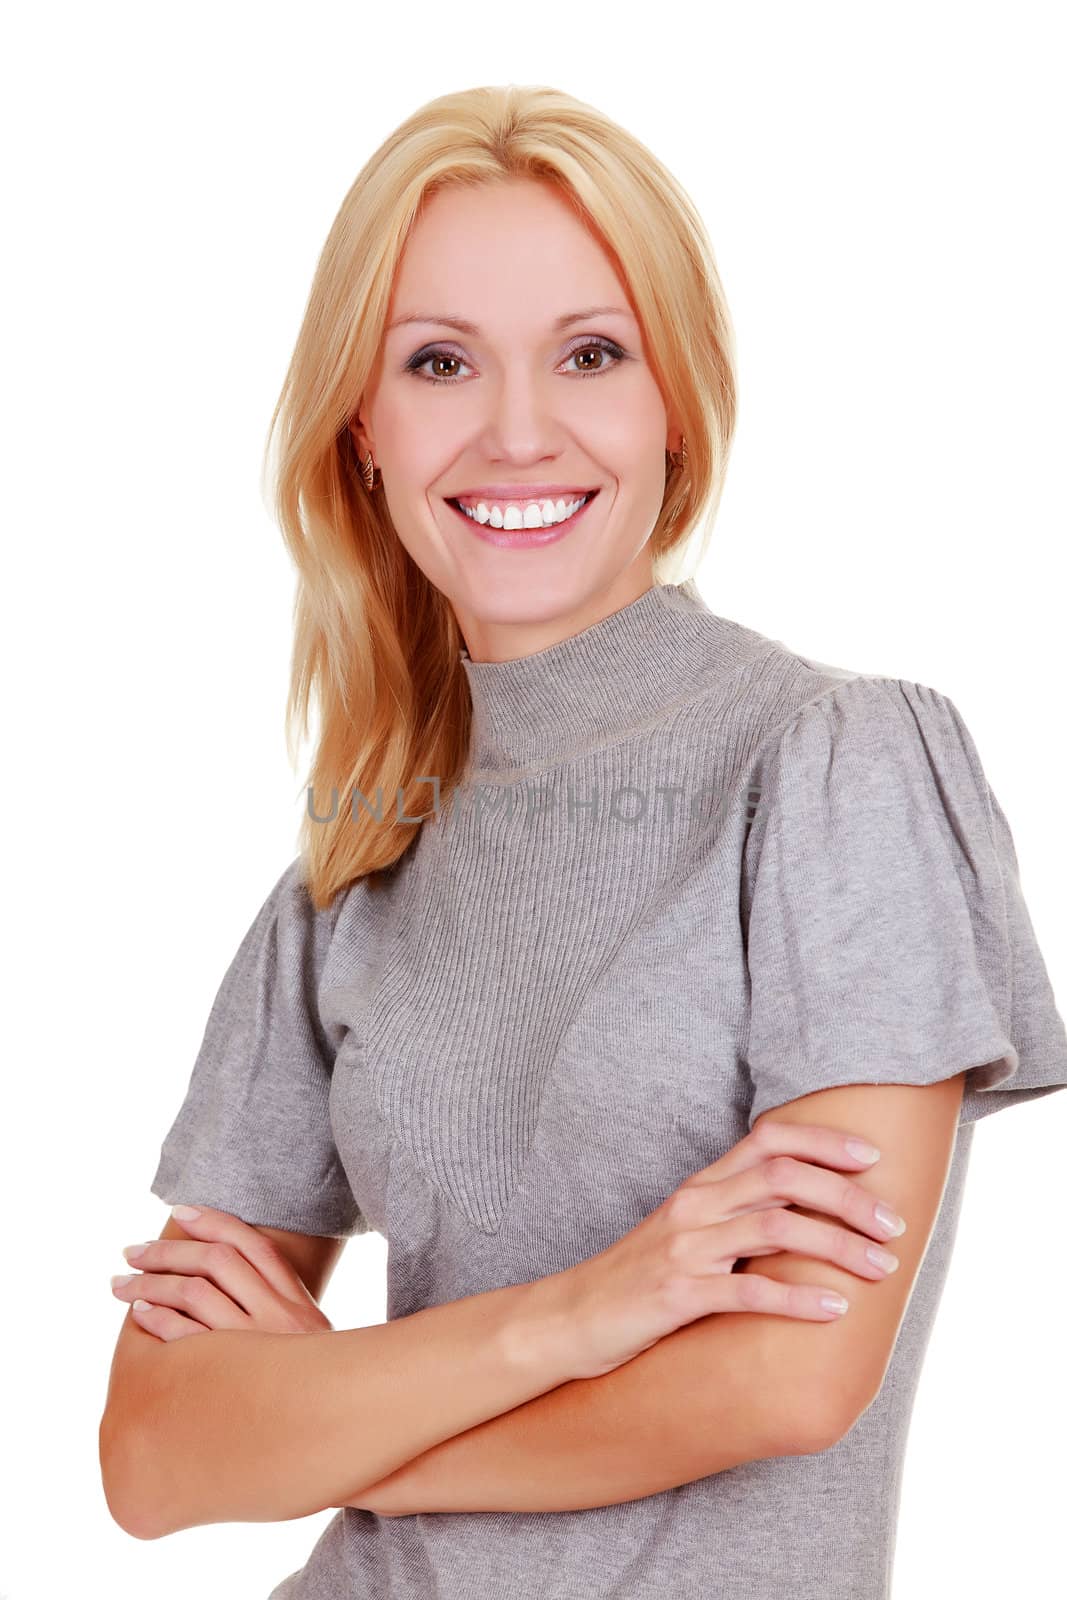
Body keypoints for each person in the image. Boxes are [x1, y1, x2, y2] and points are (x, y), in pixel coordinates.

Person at [101, 85, 1067, 1597]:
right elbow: (155, 1457)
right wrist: (576, 1315)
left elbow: (786, 1385)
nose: (519, 431)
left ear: (674, 400)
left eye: (591, 354)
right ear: (365, 427)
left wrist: (332, 1422)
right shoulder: (353, 867)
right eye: (439, 363)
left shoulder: (836, 767)